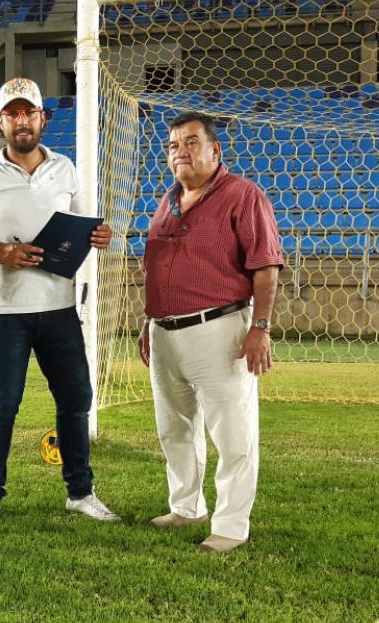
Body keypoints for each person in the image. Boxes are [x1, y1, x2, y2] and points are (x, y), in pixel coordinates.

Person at [0, 77, 117, 529]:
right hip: (5, 308)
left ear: (43, 118)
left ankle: (80, 491)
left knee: (75, 399)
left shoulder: (66, 169)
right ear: (1, 122)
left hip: (59, 305)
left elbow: (87, 227)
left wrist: (98, 236)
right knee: (1, 404)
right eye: (12, 113)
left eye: (29, 112)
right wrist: (3, 253)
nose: (21, 120)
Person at [138, 111, 284, 553]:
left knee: (233, 434)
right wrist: (149, 322)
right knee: (174, 428)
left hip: (219, 328)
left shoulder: (243, 196)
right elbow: (156, 270)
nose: (180, 151)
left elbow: (267, 267)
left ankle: (231, 526)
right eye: (173, 146)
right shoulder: (166, 202)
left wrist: (260, 327)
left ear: (215, 150)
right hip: (165, 333)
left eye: (191, 142)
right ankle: (186, 506)